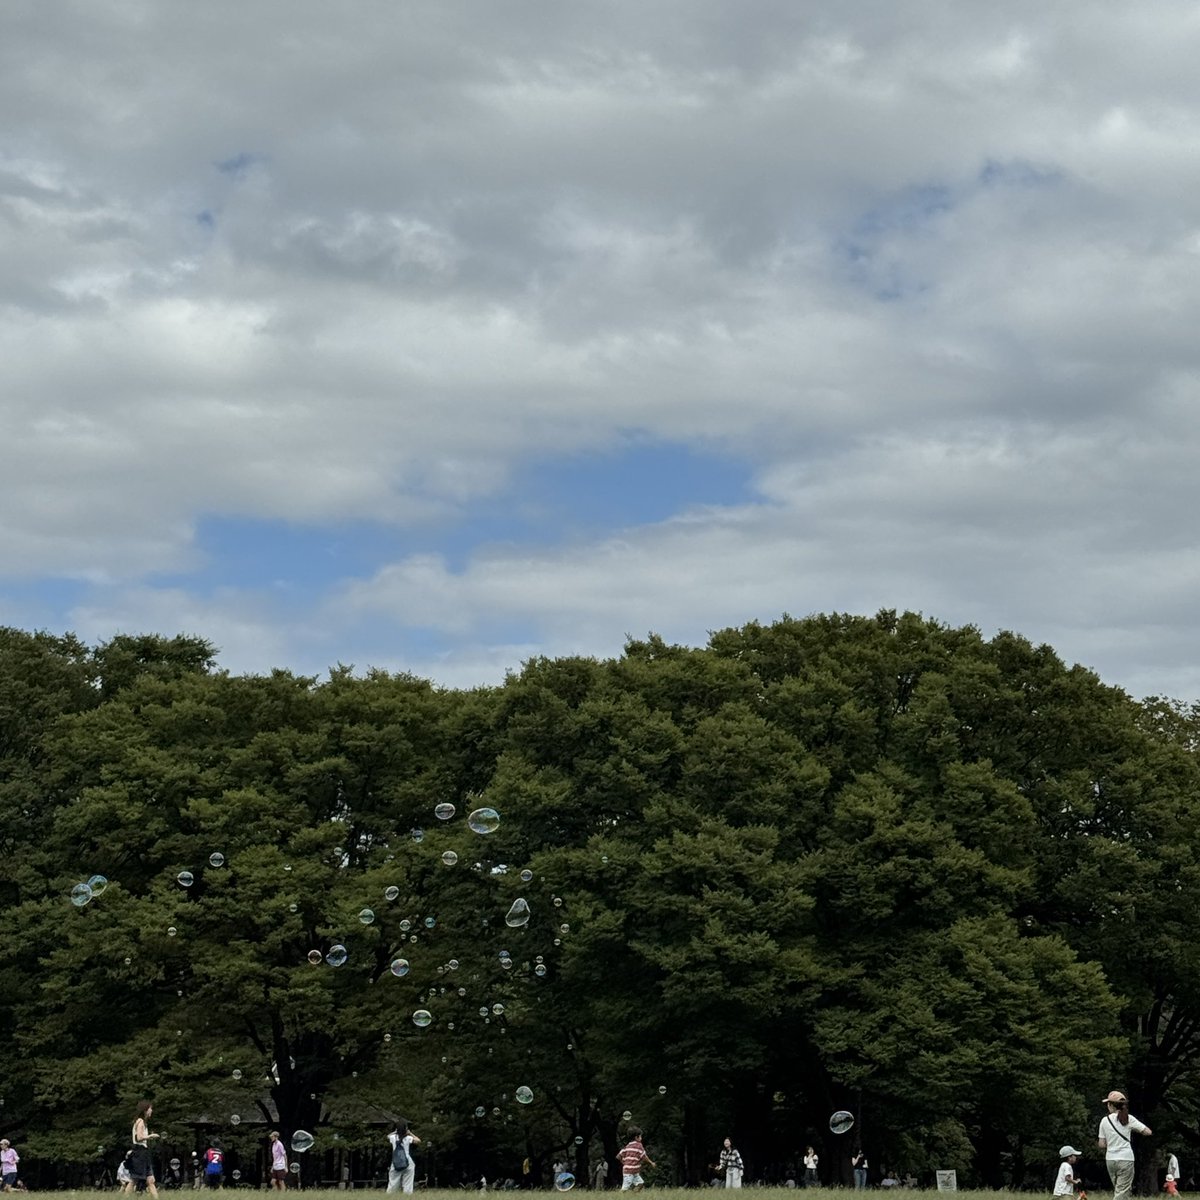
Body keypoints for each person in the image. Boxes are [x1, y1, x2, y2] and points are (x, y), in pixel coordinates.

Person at [1098, 1090, 1151, 1200]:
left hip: (1110, 1159)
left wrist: (1112, 1142)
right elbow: (1147, 1132)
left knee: (1120, 1190)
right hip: (1126, 1158)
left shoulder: (1104, 1121)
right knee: (1122, 1191)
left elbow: (1102, 1144)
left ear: (1110, 1105)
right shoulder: (1128, 1119)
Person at [131, 1101, 161, 1198]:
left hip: (142, 1152)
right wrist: (151, 1136)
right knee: (134, 1180)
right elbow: (139, 1138)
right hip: (140, 1152)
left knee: (150, 1180)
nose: (151, 1110)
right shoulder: (140, 1122)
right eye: (150, 1108)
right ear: (145, 1110)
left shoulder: (141, 1121)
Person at [387, 1118, 420, 1194]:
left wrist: (395, 1131)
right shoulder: (408, 1138)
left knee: (393, 1183)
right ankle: (407, 1196)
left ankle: (390, 1196)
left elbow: (388, 1136)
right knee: (408, 1184)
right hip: (408, 1162)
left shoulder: (393, 1137)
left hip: (396, 1162)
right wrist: (410, 1133)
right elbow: (418, 1140)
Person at [618, 1126, 656, 1192]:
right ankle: (619, 1195)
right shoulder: (639, 1145)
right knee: (625, 1188)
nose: (641, 1138)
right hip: (630, 1172)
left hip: (633, 1171)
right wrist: (651, 1162)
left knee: (640, 1184)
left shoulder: (628, 1146)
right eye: (640, 1136)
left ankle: (634, 1195)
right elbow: (644, 1156)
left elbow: (619, 1156)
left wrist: (624, 1162)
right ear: (636, 1137)